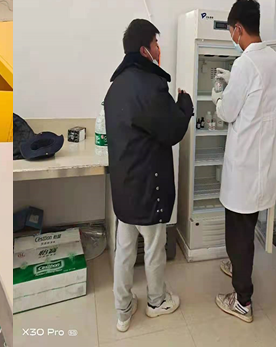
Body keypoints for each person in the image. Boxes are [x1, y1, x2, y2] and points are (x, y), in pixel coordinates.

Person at [104, 18, 193, 332]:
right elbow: (172, 130)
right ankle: (156, 301)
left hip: (124, 186)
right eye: (156, 43)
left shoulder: (116, 87)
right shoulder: (150, 86)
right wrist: (185, 104)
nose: (159, 48)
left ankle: (123, 309)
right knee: (154, 247)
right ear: (144, 50)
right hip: (148, 185)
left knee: (125, 250)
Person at [211, 0, 276, 323]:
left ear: (238, 28)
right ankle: (238, 265)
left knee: (237, 232)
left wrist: (218, 96)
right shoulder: (274, 60)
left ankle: (242, 301)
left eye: (231, 31)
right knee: (247, 225)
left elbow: (228, 112)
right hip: (263, 163)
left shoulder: (245, 63)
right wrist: (234, 79)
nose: (232, 36)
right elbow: (258, 97)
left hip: (244, 166)